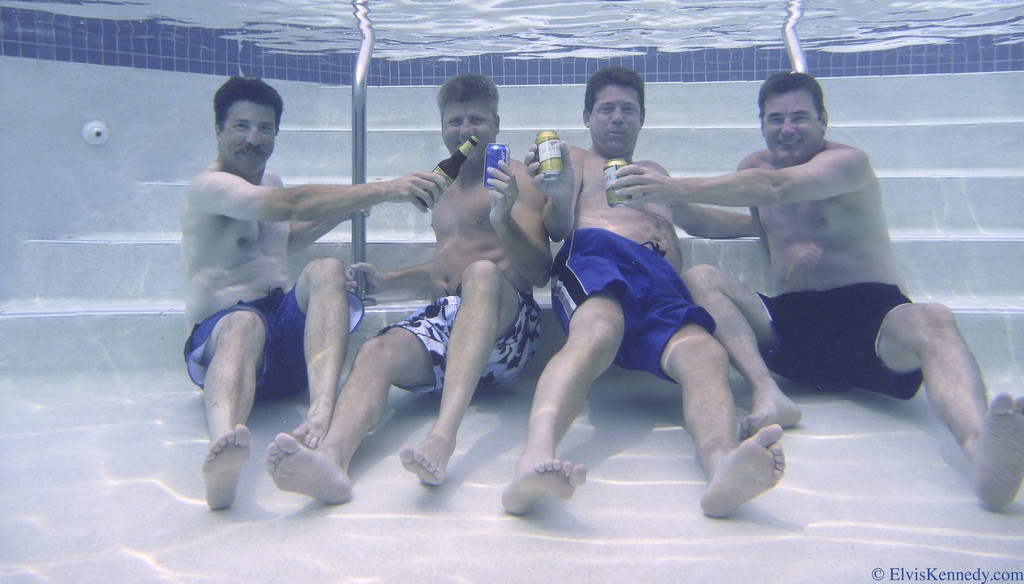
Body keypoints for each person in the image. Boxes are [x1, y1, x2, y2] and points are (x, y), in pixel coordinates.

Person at [613, 70, 1024, 509]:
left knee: (933, 318)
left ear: (823, 121)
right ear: (761, 124)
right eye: (775, 119)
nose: (787, 128)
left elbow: (778, 188)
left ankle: (981, 452)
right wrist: (662, 202)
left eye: (800, 117)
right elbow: (729, 221)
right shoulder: (752, 169)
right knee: (701, 278)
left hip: (871, 320)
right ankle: (767, 390)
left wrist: (672, 186)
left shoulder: (848, 163)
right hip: (794, 324)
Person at [501, 66, 785, 519]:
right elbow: (556, 227)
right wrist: (560, 194)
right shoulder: (577, 160)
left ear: (642, 118)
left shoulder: (655, 172)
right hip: (598, 260)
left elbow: (699, 220)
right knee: (598, 331)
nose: (617, 118)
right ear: (588, 117)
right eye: (606, 109)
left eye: (627, 109)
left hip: (661, 283)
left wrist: (765, 224)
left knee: (706, 354)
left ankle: (721, 465)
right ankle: (532, 459)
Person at [265, 73, 552, 503]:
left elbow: (539, 271)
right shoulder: (444, 188)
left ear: (496, 124)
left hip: (508, 333)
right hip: (451, 325)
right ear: (442, 128)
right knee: (374, 352)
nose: (466, 130)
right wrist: (388, 281)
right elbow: (445, 267)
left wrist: (503, 218)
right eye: (455, 121)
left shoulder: (515, 181)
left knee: (482, 273)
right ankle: (331, 460)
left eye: (477, 120)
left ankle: (443, 436)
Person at [182, 76, 447, 510]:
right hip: (227, 335)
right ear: (218, 130)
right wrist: (386, 189)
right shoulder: (210, 187)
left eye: (265, 128)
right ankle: (224, 446)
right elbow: (289, 205)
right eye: (241, 126)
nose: (254, 139)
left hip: (281, 331)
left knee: (326, 268)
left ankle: (321, 411)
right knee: (245, 322)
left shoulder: (269, 179)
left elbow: (287, 240)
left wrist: (355, 205)